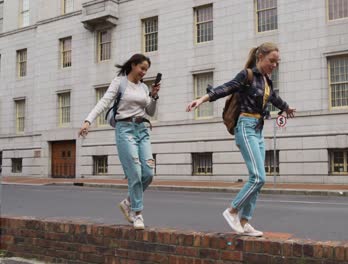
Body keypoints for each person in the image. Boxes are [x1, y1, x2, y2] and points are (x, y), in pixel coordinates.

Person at [186, 42, 296, 236]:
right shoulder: (247, 75)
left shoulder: (267, 82)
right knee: (258, 177)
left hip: (258, 129)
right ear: (260, 56)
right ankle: (232, 211)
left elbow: (275, 99)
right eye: (272, 61)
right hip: (245, 126)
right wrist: (202, 99)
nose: (274, 65)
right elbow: (226, 88)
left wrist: (286, 108)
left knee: (259, 180)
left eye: (277, 62)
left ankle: (245, 222)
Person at [78, 54, 160, 230]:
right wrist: (88, 121)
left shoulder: (144, 87)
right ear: (133, 65)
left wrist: (153, 96)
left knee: (148, 173)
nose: (144, 73)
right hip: (125, 129)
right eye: (142, 68)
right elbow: (104, 102)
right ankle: (137, 213)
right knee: (135, 173)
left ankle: (128, 202)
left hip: (143, 130)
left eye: (146, 70)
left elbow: (151, 112)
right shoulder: (120, 82)